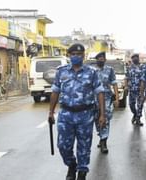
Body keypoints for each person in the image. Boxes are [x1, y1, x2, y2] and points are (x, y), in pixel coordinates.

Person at [48, 43, 106, 180]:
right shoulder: (61, 72)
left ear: (83, 56)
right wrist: (51, 111)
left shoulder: (91, 72)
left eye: (79, 54)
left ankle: (82, 172)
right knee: (63, 145)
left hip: (85, 115)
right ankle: (72, 164)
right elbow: (55, 92)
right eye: (73, 54)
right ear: (69, 55)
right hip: (66, 115)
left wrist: (103, 114)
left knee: (84, 146)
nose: (76, 57)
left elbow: (100, 92)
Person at [94, 51, 119, 154]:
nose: (101, 59)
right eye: (99, 58)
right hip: (94, 99)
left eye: (102, 58)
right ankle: (101, 136)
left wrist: (117, 98)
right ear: (96, 59)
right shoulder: (92, 71)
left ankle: (104, 141)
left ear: (105, 59)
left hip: (106, 98)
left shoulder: (110, 70)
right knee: (96, 118)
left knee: (105, 118)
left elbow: (114, 83)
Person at [124, 54, 143, 126]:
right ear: (132, 59)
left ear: (138, 58)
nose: (135, 59)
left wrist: (143, 90)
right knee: (131, 104)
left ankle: (138, 118)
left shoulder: (142, 68)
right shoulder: (129, 68)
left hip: (139, 89)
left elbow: (144, 79)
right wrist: (126, 86)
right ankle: (135, 114)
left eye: (136, 57)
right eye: (133, 58)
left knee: (140, 105)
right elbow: (126, 78)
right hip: (131, 89)